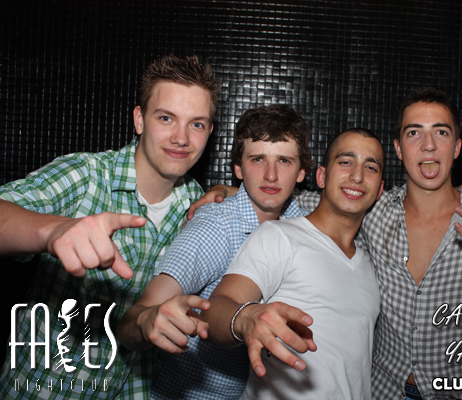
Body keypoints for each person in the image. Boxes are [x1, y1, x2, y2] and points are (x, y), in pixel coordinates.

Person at [207, 87, 462, 400]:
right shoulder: (376, 212)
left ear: (456, 147)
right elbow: (315, 198)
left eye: (441, 132)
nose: (428, 145)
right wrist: (229, 191)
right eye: (414, 132)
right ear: (399, 149)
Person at [0, 54, 220, 399]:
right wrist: (51, 231)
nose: (181, 138)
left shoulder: (196, 203)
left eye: (197, 124)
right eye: (166, 118)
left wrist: (231, 193)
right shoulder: (87, 175)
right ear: (139, 120)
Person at [117, 104, 314, 399]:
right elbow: (134, 319)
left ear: (301, 172)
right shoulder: (216, 226)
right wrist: (147, 322)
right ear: (238, 168)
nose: (271, 175)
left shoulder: (299, 221)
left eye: (284, 161)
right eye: (257, 159)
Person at [202, 128, 386, 399]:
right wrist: (245, 318)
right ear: (321, 176)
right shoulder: (279, 236)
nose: (357, 176)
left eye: (370, 167)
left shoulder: (370, 264)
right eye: (346, 162)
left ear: (380, 189)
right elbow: (215, 310)